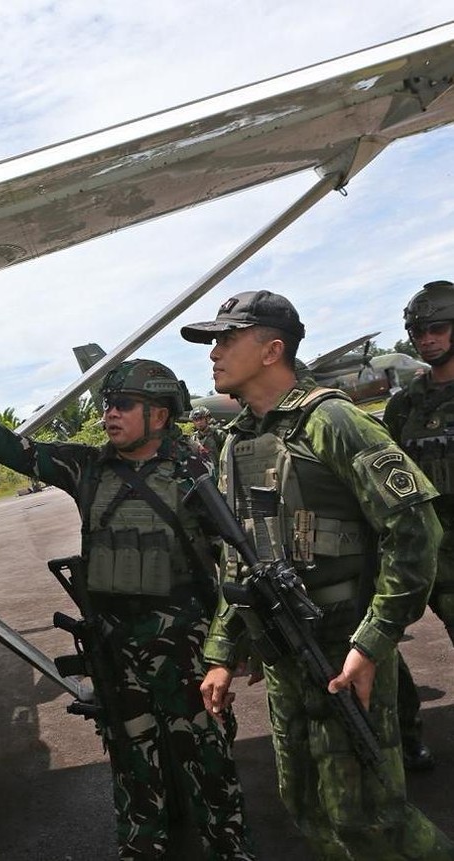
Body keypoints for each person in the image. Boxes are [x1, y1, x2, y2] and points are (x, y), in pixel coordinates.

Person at [0, 359, 255, 861]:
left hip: (187, 649)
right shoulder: (87, 467)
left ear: (159, 414)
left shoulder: (197, 473)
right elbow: (17, 450)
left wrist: (228, 645)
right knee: (133, 760)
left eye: (122, 405)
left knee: (208, 756)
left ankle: (230, 847)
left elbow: (236, 566)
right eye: (106, 404)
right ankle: (142, 846)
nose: (109, 413)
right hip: (118, 648)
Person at [181, 289, 454, 860]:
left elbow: (415, 532)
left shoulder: (333, 422)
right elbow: (242, 559)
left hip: (341, 647)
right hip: (283, 654)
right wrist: (221, 652)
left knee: (373, 820)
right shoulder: (239, 441)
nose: (214, 353)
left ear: (271, 350)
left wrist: (372, 645)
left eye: (227, 339)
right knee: (306, 806)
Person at [384, 279, 454, 772]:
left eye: (437, 328)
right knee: (377, 644)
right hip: (422, 550)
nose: (426, 338)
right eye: (418, 330)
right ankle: (406, 741)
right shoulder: (403, 405)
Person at [188, 406, 227, 471]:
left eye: (201, 419)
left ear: (207, 419)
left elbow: (227, 455)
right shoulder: (193, 438)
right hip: (202, 473)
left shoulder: (218, 435)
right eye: (196, 420)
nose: (198, 422)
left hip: (218, 471)